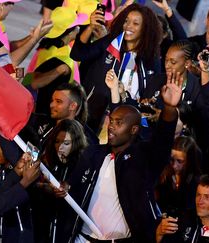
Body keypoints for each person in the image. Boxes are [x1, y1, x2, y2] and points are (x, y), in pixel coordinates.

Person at [55, 72, 181, 242]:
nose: (111, 127)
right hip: (82, 238)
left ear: (134, 130)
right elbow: (73, 184)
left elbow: (163, 142)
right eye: (111, 121)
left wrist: (170, 108)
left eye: (119, 123)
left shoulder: (143, 158)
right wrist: (65, 187)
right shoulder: (93, 153)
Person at [70, 3, 163, 134]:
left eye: (135, 24)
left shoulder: (151, 61)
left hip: (123, 126)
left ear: (145, 29)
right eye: (126, 21)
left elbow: (149, 96)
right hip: (91, 117)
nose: (128, 26)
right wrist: (91, 27)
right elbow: (77, 54)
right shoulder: (111, 43)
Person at [156, 174, 209, 243]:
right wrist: (159, 233)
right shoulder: (183, 219)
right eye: (198, 195)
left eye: (207, 197)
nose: (200, 201)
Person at [155, 136, 202, 216]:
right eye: (171, 159)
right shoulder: (162, 173)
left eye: (180, 161)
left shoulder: (196, 182)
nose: (174, 165)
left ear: (189, 161)